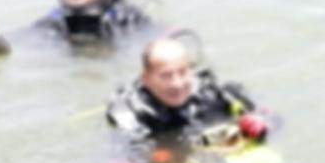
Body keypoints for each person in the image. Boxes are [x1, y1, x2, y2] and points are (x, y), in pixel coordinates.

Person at [106, 36, 266, 142]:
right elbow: (129, 158)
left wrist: (258, 124)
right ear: (146, 78)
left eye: (183, 73)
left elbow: (270, 116)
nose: (177, 84)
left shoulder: (213, 92)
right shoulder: (130, 113)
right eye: (166, 76)